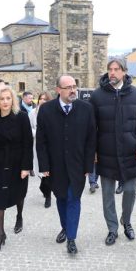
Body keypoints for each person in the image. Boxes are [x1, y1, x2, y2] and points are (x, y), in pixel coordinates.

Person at [90, 58, 136, 246]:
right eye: (110, 69)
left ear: (124, 72)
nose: (113, 73)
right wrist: (93, 151)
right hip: (105, 153)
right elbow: (91, 127)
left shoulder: (135, 94)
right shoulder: (97, 96)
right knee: (107, 195)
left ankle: (127, 221)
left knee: (130, 191)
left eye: (116, 69)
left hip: (130, 153)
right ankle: (112, 229)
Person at [36, 75, 96, 255]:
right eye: (68, 87)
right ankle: (65, 227)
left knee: (73, 199)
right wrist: (44, 166)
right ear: (58, 90)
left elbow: (91, 139)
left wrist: (88, 166)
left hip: (78, 166)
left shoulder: (86, 109)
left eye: (74, 86)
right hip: (56, 167)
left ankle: (71, 238)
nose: (72, 90)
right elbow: (41, 141)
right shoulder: (46, 110)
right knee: (61, 198)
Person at [0, 85, 33, 254]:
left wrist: (26, 167)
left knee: (18, 194)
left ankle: (19, 216)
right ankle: (1, 234)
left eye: (8, 98)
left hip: (17, 164)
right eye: (2, 99)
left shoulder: (22, 117)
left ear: (13, 100)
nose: (5, 102)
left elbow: (28, 144)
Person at [29, 91, 53, 207]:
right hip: (37, 145)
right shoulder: (33, 113)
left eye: (45, 99)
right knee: (40, 170)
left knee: (48, 171)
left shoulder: (53, 112)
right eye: (41, 99)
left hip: (50, 145)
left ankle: (48, 196)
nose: (43, 101)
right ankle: (43, 186)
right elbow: (28, 128)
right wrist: (38, 133)